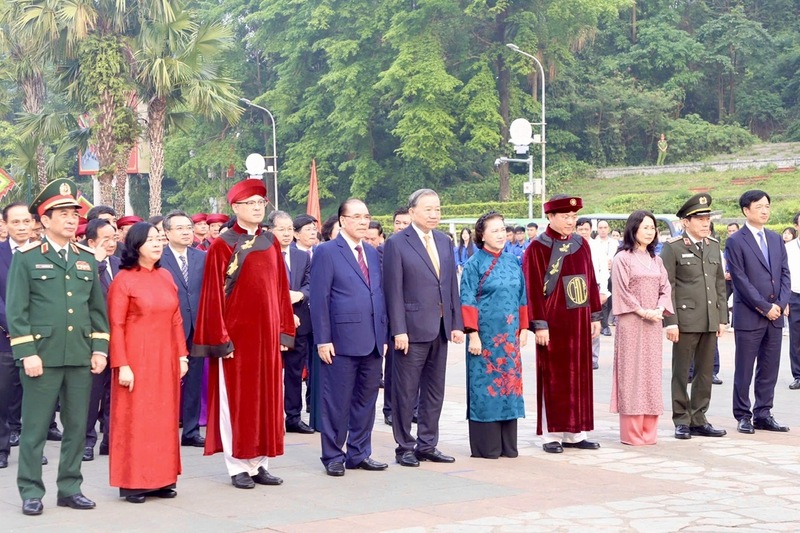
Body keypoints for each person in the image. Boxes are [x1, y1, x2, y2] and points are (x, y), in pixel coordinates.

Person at [6, 179, 110, 516]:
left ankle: (69, 487)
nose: (69, 219)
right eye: (61, 213)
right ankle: (31, 491)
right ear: (44, 220)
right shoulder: (27, 258)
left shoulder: (85, 258)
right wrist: (27, 353)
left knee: (78, 426)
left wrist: (99, 349)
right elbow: (16, 311)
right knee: (35, 428)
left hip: (80, 355)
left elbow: (97, 309)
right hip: (42, 356)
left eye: (72, 213)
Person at [193, 179, 295, 489]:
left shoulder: (271, 241)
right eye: (249, 203)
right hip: (236, 339)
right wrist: (221, 339)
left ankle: (260, 462)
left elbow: (279, 290)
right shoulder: (223, 245)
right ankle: (237, 464)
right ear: (236, 208)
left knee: (266, 399)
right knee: (236, 401)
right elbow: (212, 295)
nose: (256, 208)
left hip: (266, 338)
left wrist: (283, 331)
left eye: (260, 203)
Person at [108, 223, 189, 503]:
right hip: (136, 358)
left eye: (160, 239)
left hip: (164, 357)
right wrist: (122, 364)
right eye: (151, 240)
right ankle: (133, 482)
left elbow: (176, 318)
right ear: (136, 245)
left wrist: (181, 355)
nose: (157, 244)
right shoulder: (124, 280)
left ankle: (162, 479)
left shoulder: (166, 275)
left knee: (164, 419)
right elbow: (115, 325)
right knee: (136, 419)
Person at [383, 189, 464, 467]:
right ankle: (404, 445)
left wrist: (455, 323)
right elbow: (392, 290)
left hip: (440, 328)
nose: (434, 214)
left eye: (438, 209)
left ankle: (427, 443)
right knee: (406, 391)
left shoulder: (444, 241)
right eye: (428, 209)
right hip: (411, 329)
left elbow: (450, 284)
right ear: (412, 212)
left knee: (434, 390)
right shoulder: (398, 243)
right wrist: (398, 329)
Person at [311, 199, 389, 476]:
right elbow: (320, 298)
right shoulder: (327, 252)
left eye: (366, 216)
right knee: (336, 402)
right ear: (342, 220)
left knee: (366, 400)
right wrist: (323, 339)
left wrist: (384, 333)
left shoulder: (371, 251)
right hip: (340, 341)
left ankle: (359, 452)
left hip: (372, 338)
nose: (362, 221)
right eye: (355, 216)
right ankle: (333, 454)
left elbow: (378, 294)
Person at [522, 195, 602, 454]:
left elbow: (590, 280)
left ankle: (576, 433)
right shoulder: (537, 247)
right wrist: (539, 324)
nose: (571, 221)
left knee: (579, 376)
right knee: (553, 377)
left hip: (579, 320)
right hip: (553, 323)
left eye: (574, 217)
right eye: (565, 217)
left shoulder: (581, 244)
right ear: (551, 217)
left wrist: (595, 316)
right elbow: (533, 288)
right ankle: (551, 434)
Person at [460, 211, 528, 458]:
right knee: (485, 388)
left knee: (509, 386)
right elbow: (467, 301)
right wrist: (473, 334)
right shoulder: (474, 264)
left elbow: (522, 295)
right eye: (495, 230)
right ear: (482, 235)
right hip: (485, 339)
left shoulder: (512, 262)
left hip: (509, 338)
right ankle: (486, 446)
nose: (501, 234)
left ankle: (508, 445)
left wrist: (524, 327)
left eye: (503, 229)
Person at [660, 194, 728, 441]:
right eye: (699, 218)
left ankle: (699, 418)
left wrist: (722, 318)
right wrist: (671, 321)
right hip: (685, 321)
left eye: (707, 218)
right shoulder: (673, 247)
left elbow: (719, 283)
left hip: (710, 319)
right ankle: (681, 419)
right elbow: (667, 287)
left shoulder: (712, 245)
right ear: (685, 222)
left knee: (705, 372)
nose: (705, 222)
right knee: (681, 372)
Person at [725, 190, 791, 434]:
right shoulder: (735, 241)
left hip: (775, 316)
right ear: (746, 210)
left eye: (767, 206)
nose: (765, 210)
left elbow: (785, 274)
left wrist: (781, 304)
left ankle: (763, 413)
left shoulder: (775, 239)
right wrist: (765, 307)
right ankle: (743, 414)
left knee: (769, 367)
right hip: (751, 315)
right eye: (759, 206)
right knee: (744, 367)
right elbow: (740, 279)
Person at [611, 211, 673, 445]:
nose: (650, 231)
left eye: (653, 228)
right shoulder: (622, 259)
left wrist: (658, 309)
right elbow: (622, 290)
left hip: (653, 324)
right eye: (645, 227)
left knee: (651, 374)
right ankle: (632, 431)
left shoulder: (656, 260)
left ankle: (649, 431)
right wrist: (641, 311)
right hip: (631, 322)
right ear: (633, 229)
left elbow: (666, 288)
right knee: (633, 374)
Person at [0, 203, 52, 470]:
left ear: (34, 224)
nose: (21, 227)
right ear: (5, 225)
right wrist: (15, 326)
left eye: (25, 222)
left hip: (42, 339)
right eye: (15, 222)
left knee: (37, 398)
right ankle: (2, 447)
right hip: (5, 338)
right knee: (4, 395)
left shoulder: (45, 254)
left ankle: (34, 448)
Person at [161, 211, 208, 448]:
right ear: (167, 232)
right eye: (180, 228)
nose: (187, 232)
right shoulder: (159, 257)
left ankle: (191, 431)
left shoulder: (202, 257)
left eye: (189, 227)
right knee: (166, 381)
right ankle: (165, 429)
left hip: (197, 327)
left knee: (193, 381)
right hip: (169, 328)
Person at [266, 210, 314, 434]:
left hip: (300, 323)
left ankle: (293, 417)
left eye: (288, 229)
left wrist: (302, 295)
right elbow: (263, 290)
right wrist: (284, 307)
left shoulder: (301, 256)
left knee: (295, 372)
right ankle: (271, 417)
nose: (286, 234)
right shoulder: (262, 255)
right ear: (269, 231)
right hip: (272, 324)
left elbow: (310, 283)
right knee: (271, 373)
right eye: (281, 229)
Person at [82, 218, 120, 462]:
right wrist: (94, 264)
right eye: (105, 239)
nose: (111, 243)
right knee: (90, 393)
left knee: (114, 392)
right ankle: (86, 440)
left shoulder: (120, 264)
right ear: (91, 241)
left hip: (119, 338)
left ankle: (110, 439)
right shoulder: (81, 265)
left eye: (114, 238)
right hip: (92, 340)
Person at [575, 218, 610, 370]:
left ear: (591, 230)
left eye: (586, 229)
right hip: (576, 289)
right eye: (580, 229)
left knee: (594, 322)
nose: (583, 232)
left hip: (594, 288)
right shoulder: (571, 245)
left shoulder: (597, 247)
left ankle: (593, 358)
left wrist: (602, 291)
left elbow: (603, 270)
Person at [594, 220, 617, 336]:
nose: (603, 230)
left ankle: (606, 320)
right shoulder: (594, 243)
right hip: (600, 275)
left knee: (611, 299)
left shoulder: (614, 243)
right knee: (603, 301)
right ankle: (604, 325)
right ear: (597, 229)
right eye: (600, 227)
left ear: (608, 229)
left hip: (612, 274)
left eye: (605, 227)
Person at [787, 213, 800, 390]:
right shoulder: (788, 248)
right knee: (796, 338)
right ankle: (798, 375)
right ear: (796, 226)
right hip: (794, 295)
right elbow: (783, 274)